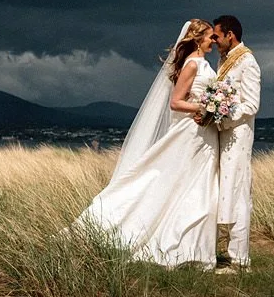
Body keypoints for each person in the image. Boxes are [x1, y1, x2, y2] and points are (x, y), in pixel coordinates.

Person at [73, 19, 221, 268]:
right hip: (190, 131)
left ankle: (195, 248)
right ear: (197, 39)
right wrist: (206, 107)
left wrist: (215, 108)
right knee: (176, 183)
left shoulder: (205, 64)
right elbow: (176, 102)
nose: (213, 42)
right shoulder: (192, 64)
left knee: (200, 186)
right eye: (209, 37)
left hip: (205, 134)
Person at [211, 14, 260, 272]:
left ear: (230, 34)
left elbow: (252, 104)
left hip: (238, 136)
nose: (214, 41)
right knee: (226, 191)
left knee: (238, 192)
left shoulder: (247, 62)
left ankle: (240, 259)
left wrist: (225, 113)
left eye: (217, 36)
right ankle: (228, 253)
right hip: (222, 134)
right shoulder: (224, 60)